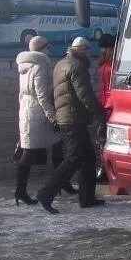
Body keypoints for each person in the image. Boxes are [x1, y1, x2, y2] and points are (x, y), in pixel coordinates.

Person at [36, 37, 106, 214]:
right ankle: (46, 193)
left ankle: (87, 198)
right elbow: (85, 95)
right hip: (74, 119)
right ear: (82, 50)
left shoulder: (61, 64)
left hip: (66, 118)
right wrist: (100, 114)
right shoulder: (77, 66)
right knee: (74, 159)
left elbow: (54, 94)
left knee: (88, 158)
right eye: (88, 51)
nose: (89, 54)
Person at [13, 36, 78, 205]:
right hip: (39, 114)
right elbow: (42, 96)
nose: (49, 50)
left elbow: (24, 94)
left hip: (27, 111)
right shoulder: (40, 66)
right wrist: (53, 117)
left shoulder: (24, 65)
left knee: (52, 145)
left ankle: (62, 183)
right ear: (41, 49)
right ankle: (21, 191)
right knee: (31, 151)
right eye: (48, 47)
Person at [96, 33, 116, 183]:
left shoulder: (106, 64)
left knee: (103, 138)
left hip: (106, 104)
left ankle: (104, 169)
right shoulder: (110, 64)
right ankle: (106, 169)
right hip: (108, 104)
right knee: (106, 138)